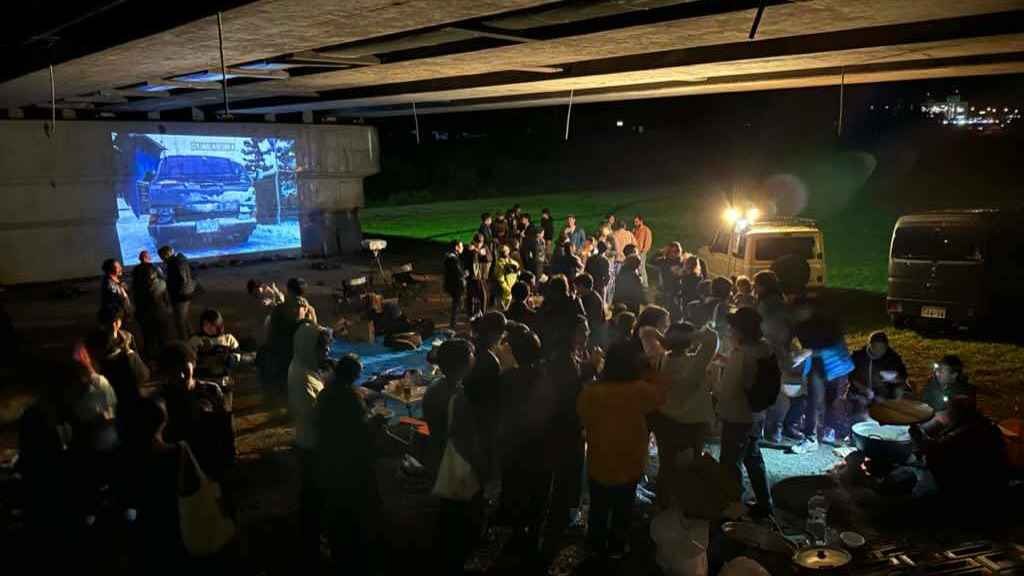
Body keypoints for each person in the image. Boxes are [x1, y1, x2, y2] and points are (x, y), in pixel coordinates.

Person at [578, 341, 666, 561]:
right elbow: (660, 397)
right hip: (630, 461)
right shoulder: (639, 390)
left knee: (598, 506)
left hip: (599, 459)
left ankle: (595, 545)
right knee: (623, 508)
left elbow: (582, 415)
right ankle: (617, 547)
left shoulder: (592, 391)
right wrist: (650, 370)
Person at [315, 354, 381, 572]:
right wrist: (375, 420)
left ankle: (338, 540)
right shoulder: (350, 397)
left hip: (328, 454)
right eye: (358, 373)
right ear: (352, 375)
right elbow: (361, 429)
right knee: (353, 503)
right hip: (349, 458)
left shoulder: (326, 392)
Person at [714, 307, 774, 518]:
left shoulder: (741, 354)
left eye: (733, 328)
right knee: (753, 457)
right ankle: (765, 503)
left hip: (738, 416)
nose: (730, 331)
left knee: (730, 463)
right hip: (757, 414)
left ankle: (734, 508)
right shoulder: (764, 348)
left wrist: (714, 389)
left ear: (741, 331)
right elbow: (750, 376)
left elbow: (727, 390)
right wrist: (727, 361)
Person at [649, 323, 717, 509]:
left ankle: (663, 503)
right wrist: (693, 336)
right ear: (690, 342)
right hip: (693, 423)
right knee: (691, 464)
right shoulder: (695, 363)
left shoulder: (662, 360)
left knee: (666, 463)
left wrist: (664, 338)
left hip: (665, 420)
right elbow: (712, 339)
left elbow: (645, 332)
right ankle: (686, 503)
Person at [288, 320, 333, 566]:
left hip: (309, 440)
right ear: (309, 348)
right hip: (311, 444)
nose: (327, 353)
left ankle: (313, 537)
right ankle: (314, 543)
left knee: (313, 493)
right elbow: (315, 415)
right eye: (323, 349)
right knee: (315, 494)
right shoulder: (302, 378)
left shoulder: (303, 366)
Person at [159, 342, 235, 482]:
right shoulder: (160, 401)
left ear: (193, 364)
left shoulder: (211, 391)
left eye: (184, 368)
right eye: (173, 371)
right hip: (183, 472)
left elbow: (225, 429)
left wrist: (228, 464)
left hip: (213, 464)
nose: (181, 375)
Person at [791, 294, 854, 452]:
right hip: (817, 365)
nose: (797, 314)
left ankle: (829, 430)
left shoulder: (827, 322)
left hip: (835, 364)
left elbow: (834, 344)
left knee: (832, 400)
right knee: (814, 401)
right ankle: (811, 438)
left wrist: (808, 352)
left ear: (810, 309)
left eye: (800, 310)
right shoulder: (800, 325)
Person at [422, 339, 475, 476]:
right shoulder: (458, 396)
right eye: (471, 356)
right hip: (452, 458)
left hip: (436, 449)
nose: (474, 360)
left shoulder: (434, 386)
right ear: (462, 365)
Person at [261, 278, 316, 394]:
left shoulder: (280, 309)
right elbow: (314, 333)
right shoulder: (308, 310)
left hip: (282, 356)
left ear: (288, 291)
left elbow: (271, 334)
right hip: (296, 358)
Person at [848, 331, 908, 421]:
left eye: (882, 348)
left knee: (896, 399)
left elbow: (903, 376)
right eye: (876, 348)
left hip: (883, 395)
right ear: (870, 345)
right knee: (858, 411)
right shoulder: (858, 357)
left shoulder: (892, 358)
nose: (879, 351)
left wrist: (895, 378)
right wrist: (864, 389)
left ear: (887, 346)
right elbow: (851, 377)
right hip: (861, 393)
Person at [920, 355, 976, 433]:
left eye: (942, 371)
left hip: (947, 431)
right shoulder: (932, 385)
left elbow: (956, 418)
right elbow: (923, 404)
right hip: (925, 421)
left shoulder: (963, 392)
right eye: (938, 370)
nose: (937, 373)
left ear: (954, 375)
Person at [132, 251, 172, 360]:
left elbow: (134, 293)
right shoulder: (159, 279)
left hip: (143, 311)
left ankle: (150, 359)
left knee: (148, 337)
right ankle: (165, 357)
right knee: (162, 336)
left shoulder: (136, 272)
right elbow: (165, 293)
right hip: (159, 311)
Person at [538, 274, 586, 359]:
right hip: (569, 344)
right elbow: (583, 320)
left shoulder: (548, 302)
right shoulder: (574, 300)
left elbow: (539, 319)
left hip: (550, 345)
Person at [187, 309, 241, 382]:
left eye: (212, 325)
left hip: (222, 376)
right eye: (206, 325)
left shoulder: (228, 339)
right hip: (202, 375)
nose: (208, 328)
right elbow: (188, 354)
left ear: (219, 325)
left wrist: (232, 359)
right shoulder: (196, 339)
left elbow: (237, 353)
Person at [158, 246, 197, 340]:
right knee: (185, 318)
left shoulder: (173, 263)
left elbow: (180, 279)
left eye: (161, 257)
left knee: (180, 322)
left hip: (180, 295)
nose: (161, 259)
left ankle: (185, 343)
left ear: (165, 255)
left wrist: (163, 277)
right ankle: (193, 338)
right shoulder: (180, 259)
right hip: (187, 292)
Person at [574, 273, 608, 349]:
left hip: (591, 336)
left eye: (577, 287)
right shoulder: (592, 296)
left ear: (582, 286)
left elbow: (589, 319)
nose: (576, 290)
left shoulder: (591, 300)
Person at [443, 240, 467, 329]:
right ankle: (453, 324)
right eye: (461, 246)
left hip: (452, 285)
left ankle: (454, 322)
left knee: (457, 303)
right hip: (455, 286)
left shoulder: (451, 256)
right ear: (456, 247)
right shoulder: (452, 258)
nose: (463, 248)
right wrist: (465, 274)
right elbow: (458, 272)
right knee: (456, 305)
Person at [493, 244, 520, 310]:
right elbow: (500, 279)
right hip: (505, 291)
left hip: (508, 291)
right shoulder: (501, 264)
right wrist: (508, 289)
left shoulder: (513, 263)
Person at [585, 241, 612, 305]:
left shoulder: (590, 259)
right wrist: (604, 285)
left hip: (590, 285)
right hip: (600, 286)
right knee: (600, 305)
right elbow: (607, 276)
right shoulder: (605, 260)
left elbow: (585, 271)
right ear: (605, 250)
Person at [632, 215, 653, 286]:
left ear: (641, 221)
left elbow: (648, 242)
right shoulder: (635, 230)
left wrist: (643, 251)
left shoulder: (646, 230)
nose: (635, 223)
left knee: (641, 268)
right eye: (634, 222)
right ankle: (638, 284)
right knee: (637, 269)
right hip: (635, 252)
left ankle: (645, 284)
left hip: (641, 253)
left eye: (636, 222)